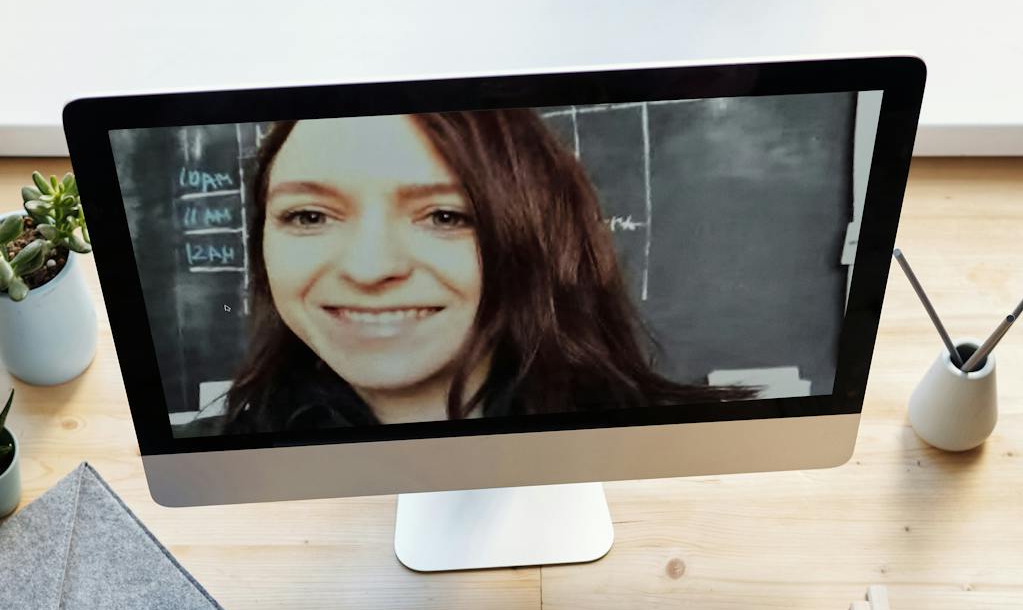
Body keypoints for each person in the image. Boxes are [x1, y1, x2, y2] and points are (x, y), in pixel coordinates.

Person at [183, 109, 752, 436]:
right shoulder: (220, 464)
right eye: (308, 215)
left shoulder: (693, 448)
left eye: (446, 216)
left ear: (535, 240)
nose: (370, 267)